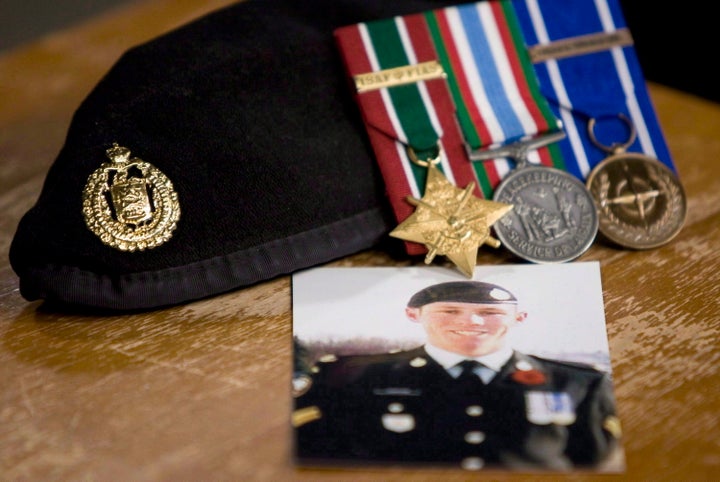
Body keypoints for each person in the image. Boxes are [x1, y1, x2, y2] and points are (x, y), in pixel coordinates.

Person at [292, 280, 622, 471]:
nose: (473, 322)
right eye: (449, 311)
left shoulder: (578, 383)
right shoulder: (355, 376)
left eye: (490, 313)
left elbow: (592, 461)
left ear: (519, 318)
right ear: (413, 315)